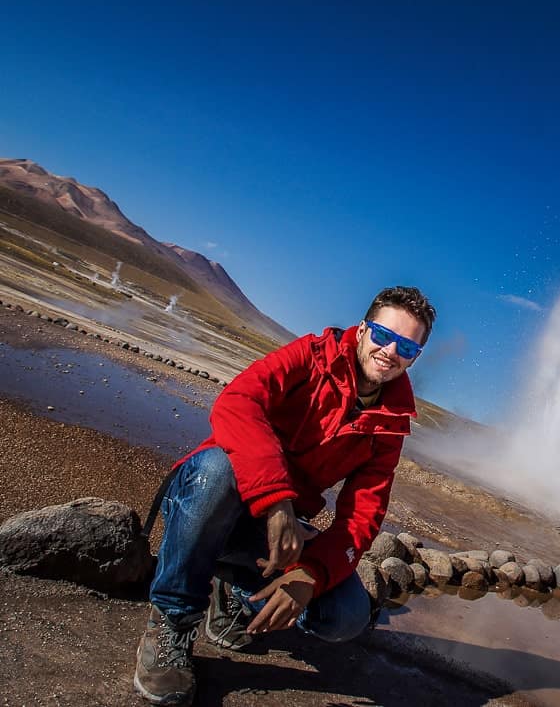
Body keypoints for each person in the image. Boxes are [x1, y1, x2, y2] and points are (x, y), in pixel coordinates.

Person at [133, 286, 435, 705]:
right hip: (207, 499)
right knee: (218, 469)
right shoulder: (311, 355)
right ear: (363, 329)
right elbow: (237, 403)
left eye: (406, 347)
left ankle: (236, 594)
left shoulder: (390, 423)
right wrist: (277, 501)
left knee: (343, 615)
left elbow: (364, 512)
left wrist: (312, 574)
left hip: (272, 531)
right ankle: (172, 620)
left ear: (415, 356)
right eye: (384, 336)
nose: (390, 352)